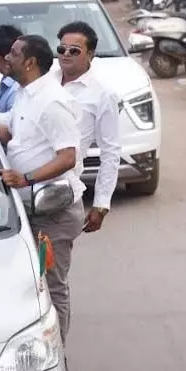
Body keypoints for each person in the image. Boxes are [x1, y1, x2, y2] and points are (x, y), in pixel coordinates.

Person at [0, 35, 85, 342]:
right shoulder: (24, 94)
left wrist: (26, 178)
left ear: (29, 62)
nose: (8, 58)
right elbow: (12, 132)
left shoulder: (52, 101)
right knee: (31, 284)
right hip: (30, 208)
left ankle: (58, 353)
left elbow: (68, 156)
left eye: (14, 54)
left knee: (52, 286)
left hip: (54, 212)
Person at [53, 21, 121, 233]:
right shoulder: (45, 82)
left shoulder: (102, 95)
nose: (66, 54)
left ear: (90, 54)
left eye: (74, 50)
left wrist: (101, 205)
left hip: (61, 190)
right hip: (24, 186)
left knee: (51, 262)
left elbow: (110, 152)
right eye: (61, 49)